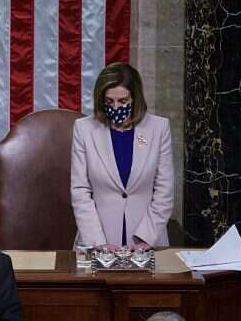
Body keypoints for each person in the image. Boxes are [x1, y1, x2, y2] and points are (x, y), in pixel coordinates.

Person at [71, 62, 174, 251]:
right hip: (99, 243)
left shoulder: (159, 128)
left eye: (123, 101)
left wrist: (146, 239)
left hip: (148, 242)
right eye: (109, 102)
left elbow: (164, 191)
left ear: (135, 98)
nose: (116, 107)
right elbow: (80, 191)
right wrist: (97, 241)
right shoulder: (84, 129)